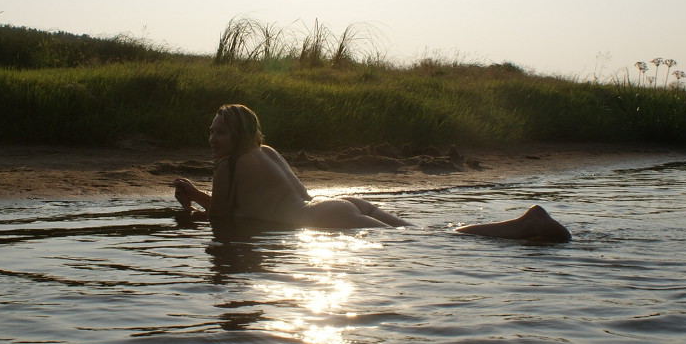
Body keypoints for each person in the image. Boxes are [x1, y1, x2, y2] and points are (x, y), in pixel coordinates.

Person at [172, 104, 571, 241]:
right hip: (336, 205)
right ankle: (520, 227)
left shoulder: (229, 165)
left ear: (237, 133)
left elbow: (220, 220)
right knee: (429, 237)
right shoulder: (267, 151)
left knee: (441, 244)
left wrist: (192, 195)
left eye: (219, 131)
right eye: (210, 130)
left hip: (322, 215)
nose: (212, 137)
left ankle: (524, 224)